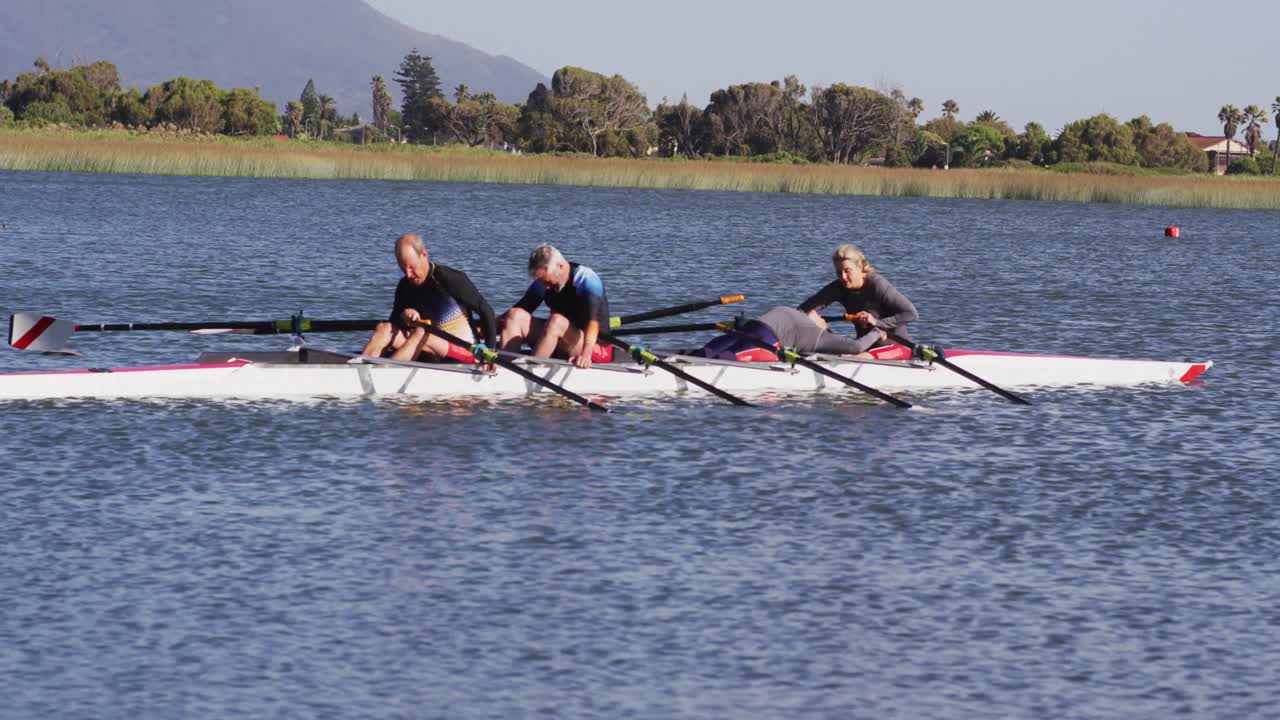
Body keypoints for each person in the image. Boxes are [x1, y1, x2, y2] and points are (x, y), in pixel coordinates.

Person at [361, 233, 497, 364]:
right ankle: (360, 369)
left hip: (464, 351)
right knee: (384, 328)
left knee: (423, 333)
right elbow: (395, 325)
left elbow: (486, 311)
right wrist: (405, 317)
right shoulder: (404, 286)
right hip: (426, 348)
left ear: (424, 255)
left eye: (411, 267)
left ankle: (386, 376)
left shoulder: (450, 279)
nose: (408, 274)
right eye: (403, 268)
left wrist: (490, 353)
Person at [797, 243, 918, 361]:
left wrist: (878, 323)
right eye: (839, 272)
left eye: (847, 271)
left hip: (897, 348)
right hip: (862, 347)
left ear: (860, 267)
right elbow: (801, 311)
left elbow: (911, 313)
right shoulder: (838, 287)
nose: (843, 277)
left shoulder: (877, 285)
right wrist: (813, 322)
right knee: (813, 320)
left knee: (857, 357)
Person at [499, 244, 612, 369]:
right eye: (541, 281)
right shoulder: (543, 282)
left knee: (556, 321)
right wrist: (486, 327)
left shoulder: (587, 280)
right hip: (559, 339)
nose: (545, 286)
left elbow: (593, 323)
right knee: (514, 315)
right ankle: (505, 366)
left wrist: (586, 354)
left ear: (560, 266)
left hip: (595, 348)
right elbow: (521, 309)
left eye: (547, 282)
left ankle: (531, 371)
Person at [691, 306, 879, 362]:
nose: (821, 318)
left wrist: (877, 330)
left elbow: (855, 348)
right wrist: (877, 332)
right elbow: (856, 347)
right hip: (767, 339)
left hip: (750, 328)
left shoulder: (800, 315)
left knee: (705, 352)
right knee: (721, 358)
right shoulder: (819, 335)